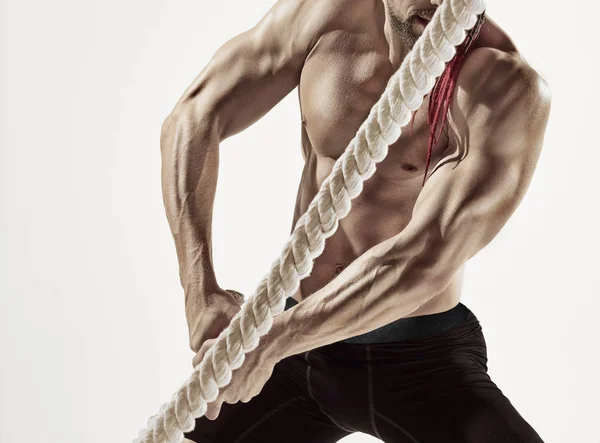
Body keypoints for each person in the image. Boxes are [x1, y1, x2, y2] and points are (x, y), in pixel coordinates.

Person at [159, 0, 551, 441]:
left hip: (419, 362)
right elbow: (194, 116)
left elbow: (421, 261)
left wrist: (271, 343)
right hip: (291, 348)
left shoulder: (503, 86)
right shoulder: (324, 17)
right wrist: (200, 292)